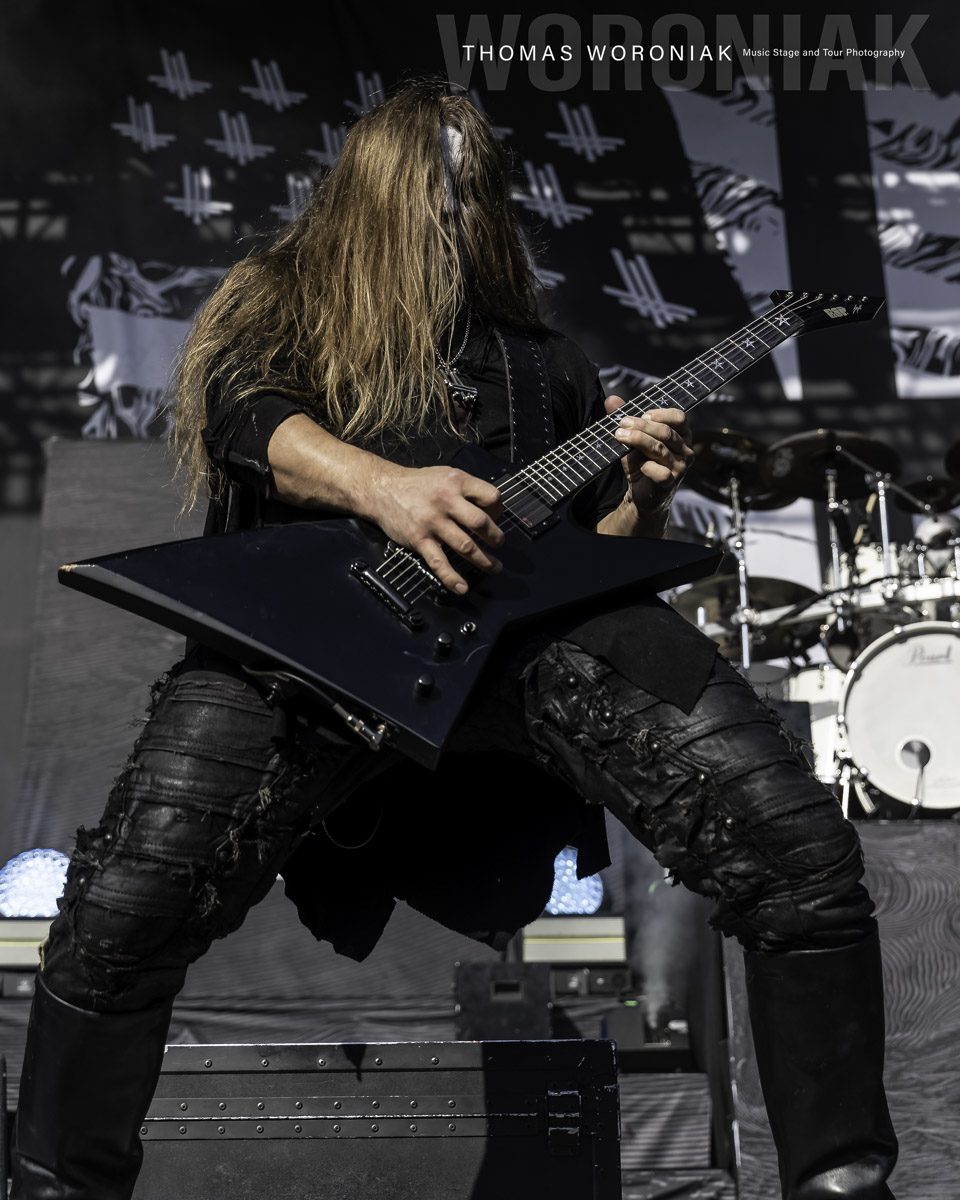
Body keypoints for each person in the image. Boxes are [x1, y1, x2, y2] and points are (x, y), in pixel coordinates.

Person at [11, 83, 898, 1200]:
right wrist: (386, 489)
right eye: (429, 185)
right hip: (309, 646)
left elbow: (592, 554)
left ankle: (842, 1184)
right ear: (370, 188)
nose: (451, 207)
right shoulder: (285, 297)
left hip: (532, 647)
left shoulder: (547, 360)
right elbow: (244, 415)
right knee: (121, 910)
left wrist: (643, 494)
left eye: (472, 189)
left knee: (801, 855)